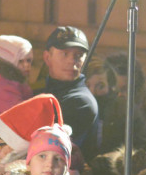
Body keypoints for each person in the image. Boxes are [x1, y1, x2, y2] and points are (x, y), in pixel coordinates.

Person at [36, 26, 99, 157]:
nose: (72, 60)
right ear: (47, 57)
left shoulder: (81, 101)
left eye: (79, 55)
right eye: (65, 53)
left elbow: (44, 147)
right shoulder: (42, 92)